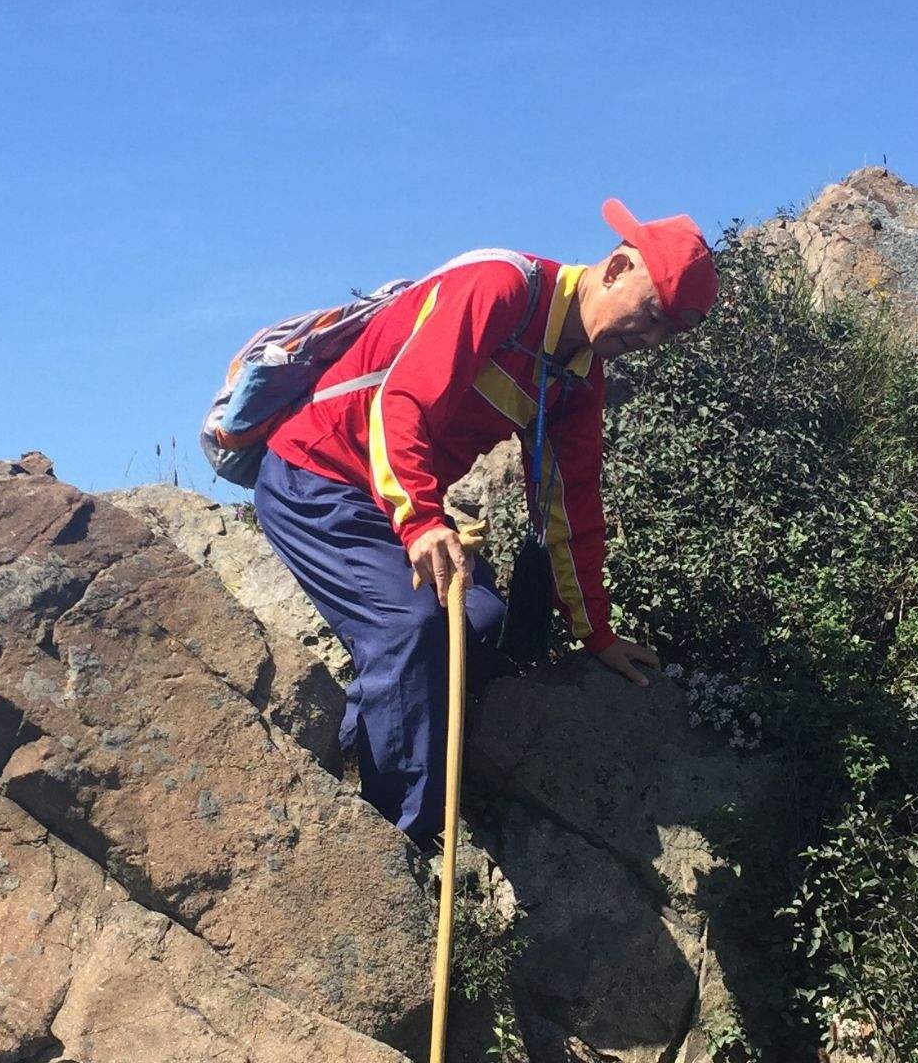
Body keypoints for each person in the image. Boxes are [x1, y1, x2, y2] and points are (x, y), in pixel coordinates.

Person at [252, 198, 718, 841]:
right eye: (653, 316)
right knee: (410, 626)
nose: (650, 340)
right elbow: (402, 400)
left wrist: (597, 633)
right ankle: (400, 838)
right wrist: (419, 520)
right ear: (617, 268)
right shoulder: (503, 288)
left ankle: (355, 745)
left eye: (669, 334)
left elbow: (570, 507)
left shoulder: (577, 377)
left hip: (390, 505)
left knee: (482, 621)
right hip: (318, 475)